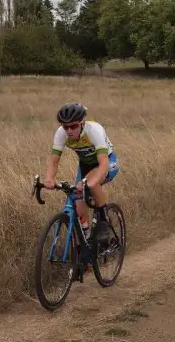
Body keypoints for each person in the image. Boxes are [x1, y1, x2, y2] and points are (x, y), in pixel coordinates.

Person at [43, 102, 119, 244]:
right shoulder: (61, 133)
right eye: (65, 127)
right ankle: (87, 241)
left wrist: (90, 183)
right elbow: (54, 161)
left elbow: (103, 164)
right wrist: (49, 178)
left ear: (82, 123)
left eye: (74, 126)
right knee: (78, 203)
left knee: (90, 184)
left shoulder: (93, 130)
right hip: (85, 165)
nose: (69, 130)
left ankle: (104, 220)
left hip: (107, 162)